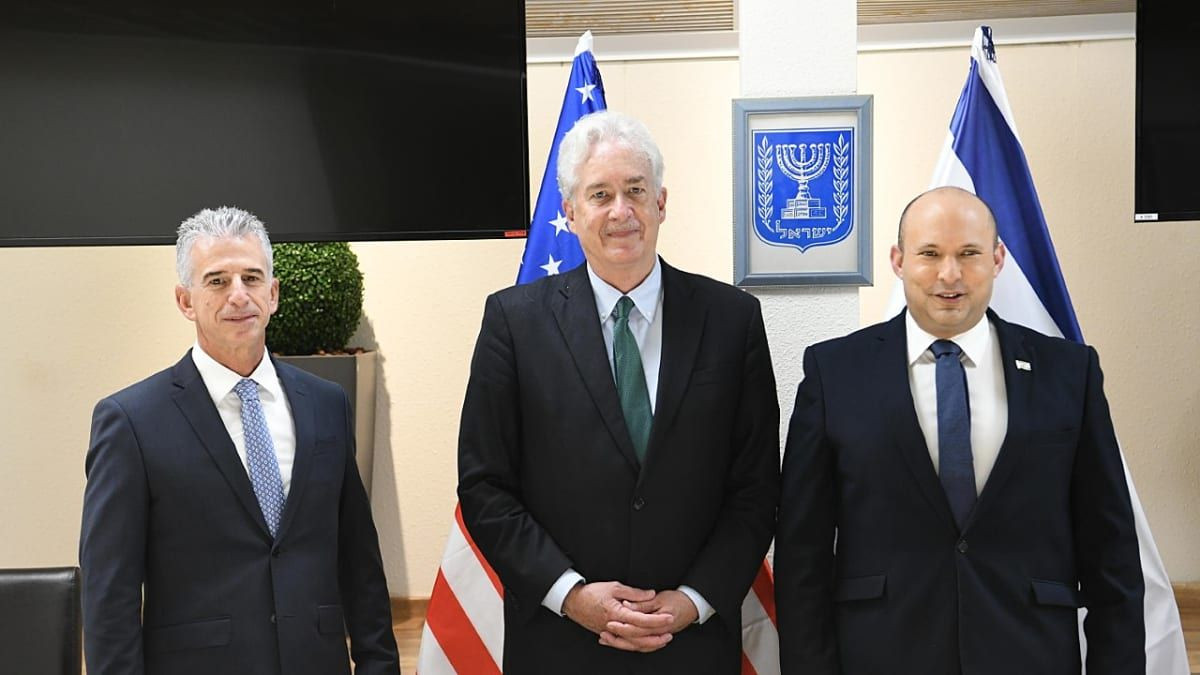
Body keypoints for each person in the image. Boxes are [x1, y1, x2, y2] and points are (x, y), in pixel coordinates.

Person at [457, 111, 780, 673]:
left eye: (635, 190)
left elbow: (756, 486)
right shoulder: (514, 322)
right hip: (560, 642)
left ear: (661, 202)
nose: (620, 211)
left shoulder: (733, 320)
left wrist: (694, 600)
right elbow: (485, 485)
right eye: (600, 194)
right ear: (570, 211)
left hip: (692, 643)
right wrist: (570, 595)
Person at [775, 186, 1145, 674]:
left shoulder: (1069, 373)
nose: (949, 274)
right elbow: (802, 553)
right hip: (882, 655)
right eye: (930, 254)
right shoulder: (835, 372)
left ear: (997, 259)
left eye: (969, 253)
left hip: (1030, 655)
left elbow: (1111, 550)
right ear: (898, 261)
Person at [79, 207, 399, 675]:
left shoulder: (327, 404)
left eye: (252, 278)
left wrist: (379, 665)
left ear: (273, 294)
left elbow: (359, 561)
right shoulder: (131, 422)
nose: (238, 295)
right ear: (185, 300)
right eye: (216, 281)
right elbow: (110, 594)